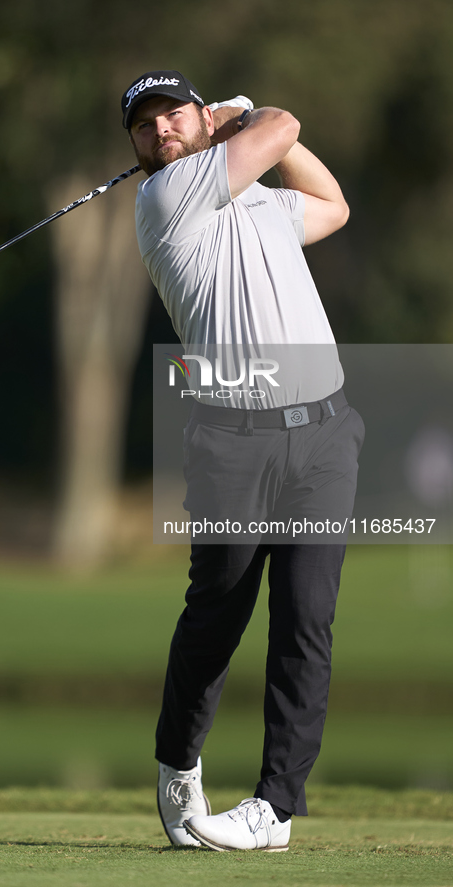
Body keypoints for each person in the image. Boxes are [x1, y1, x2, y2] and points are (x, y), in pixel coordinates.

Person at [121, 70, 364, 852]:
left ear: (196, 116)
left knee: (306, 619)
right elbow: (282, 123)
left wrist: (237, 133)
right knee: (217, 613)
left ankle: (274, 807)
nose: (158, 130)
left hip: (324, 434)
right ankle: (177, 762)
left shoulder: (256, 202)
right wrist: (233, 115)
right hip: (234, 439)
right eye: (143, 125)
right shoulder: (164, 200)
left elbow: (332, 205)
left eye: (171, 114)